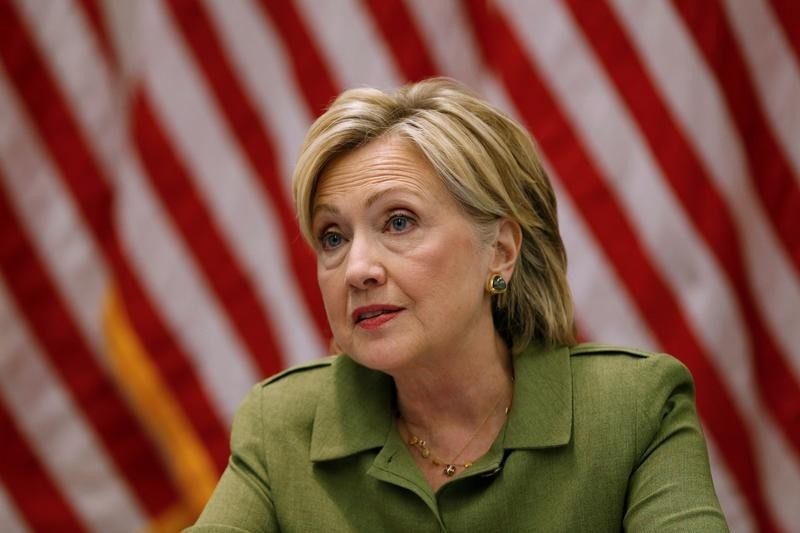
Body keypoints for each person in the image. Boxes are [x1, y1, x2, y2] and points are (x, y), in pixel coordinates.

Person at [187, 78, 728, 532]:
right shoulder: (281, 426)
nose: (357, 269)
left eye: (399, 222)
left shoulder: (633, 411)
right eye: (333, 237)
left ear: (500, 251)